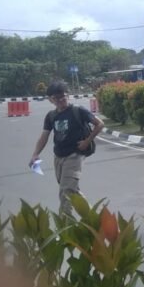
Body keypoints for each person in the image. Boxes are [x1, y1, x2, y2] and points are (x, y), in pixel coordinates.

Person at [29, 80, 104, 216]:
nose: (60, 100)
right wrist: (35, 154)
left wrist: (87, 141)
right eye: (56, 98)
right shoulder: (51, 116)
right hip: (58, 157)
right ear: (51, 100)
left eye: (63, 96)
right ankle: (96, 218)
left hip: (75, 156)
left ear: (67, 95)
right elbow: (44, 136)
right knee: (71, 191)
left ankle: (65, 226)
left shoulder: (78, 111)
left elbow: (99, 124)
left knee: (65, 192)